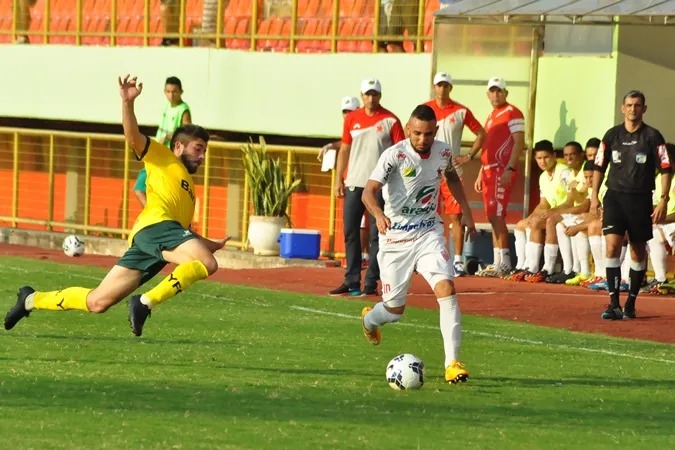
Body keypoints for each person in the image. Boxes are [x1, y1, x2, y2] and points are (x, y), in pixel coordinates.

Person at [4, 75, 227, 337]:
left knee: (97, 302)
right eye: (198, 149)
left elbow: (183, 232)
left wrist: (210, 243)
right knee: (207, 264)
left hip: (153, 239)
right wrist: (127, 103)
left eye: (204, 151)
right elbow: (132, 136)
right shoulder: (162, 156)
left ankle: (30, 299)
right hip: (155, 229)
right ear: (178, 146)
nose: (202, 157)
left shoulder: (188, 190)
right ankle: (144, 303)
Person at [360, 104, 477, 384]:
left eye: (427, 134)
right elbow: (369, 192)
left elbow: (451, 177)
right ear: (409, 130)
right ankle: (369, 320)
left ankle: (452, 363)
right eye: (416, 134)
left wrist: (467, 212)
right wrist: (378, 214)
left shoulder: (443, 151)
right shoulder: (394, 155)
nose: (422, 140)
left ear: (435, 131)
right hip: (395, 238)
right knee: (394, 310)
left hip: (428, 233)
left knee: (446, 288)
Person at [591, 90, 672, 320]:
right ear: (622, 108)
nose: (633, 109)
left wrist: (663, 199)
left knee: (637, 250)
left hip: (641, 198)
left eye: (637, 105)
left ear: (644, 109)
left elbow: (666, 168)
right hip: (614, 197)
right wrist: (594, 195)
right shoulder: (611, 135)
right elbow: (598, 166)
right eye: (629, 105)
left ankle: (631, 303)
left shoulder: (653, 136)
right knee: (612, 246)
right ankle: (613, 302)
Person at [330, 78, 405, 297]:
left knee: (377, 235)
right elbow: (344, 150)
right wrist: (338, 180)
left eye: (375, 94)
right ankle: (351, 280)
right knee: (350, 232)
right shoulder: (352, 118)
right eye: (367, 94)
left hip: (379, 186)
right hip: (354, 183)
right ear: (362, 96)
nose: (371, 98)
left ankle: (371, 282)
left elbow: (401, 151)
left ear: (380, 96)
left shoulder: (391, 120)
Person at [425, 71, 486, 276]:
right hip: (428, 170)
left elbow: (481, 133)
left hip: (452, 170)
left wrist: (469, 156)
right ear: (434, 87)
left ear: (450, 88)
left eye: (446, 85)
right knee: (426, 215)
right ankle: (427, 258)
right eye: (439, 85)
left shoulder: (460, 111)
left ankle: (457, 261)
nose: (442, 89)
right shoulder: (425, 109)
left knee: (455, 217)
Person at [464, 76, 525, 276]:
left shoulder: (513, 112)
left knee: (497, 215)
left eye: (499, 91)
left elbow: (518, 142)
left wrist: (510, 168)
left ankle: (505, 261)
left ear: (506, 93)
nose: (496, 94)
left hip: (500, 169)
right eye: (492, 91)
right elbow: (488, 145)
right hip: (489, 170)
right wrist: (482, 172)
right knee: (492, 216)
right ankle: (498, 260)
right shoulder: (491, 115)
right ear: (488, 94)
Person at [507, 140, 572, 282]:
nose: (542, 162)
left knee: (542, 222)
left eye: (546, 157)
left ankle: (546, 268)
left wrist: (551, 211)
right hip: (553, 212)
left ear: (554, 156)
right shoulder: (543, 177)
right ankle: (524, 265)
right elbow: (543, 203)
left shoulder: (563, 171)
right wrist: (530, 217)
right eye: (539, 158)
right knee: (522, 224)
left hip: (567, 212)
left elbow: (570, 200)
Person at [134, 76, 192, 207]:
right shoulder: (167, 106)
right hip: (157, 153)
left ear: (181, 92)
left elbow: (187, 131)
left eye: (174, 91)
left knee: (163, 191)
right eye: (168, 91)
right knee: (141, 189)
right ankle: (154, 213)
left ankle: (158, 216)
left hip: (168, 157)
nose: (171, 95)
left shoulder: (183, 109)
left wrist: (169, 137)